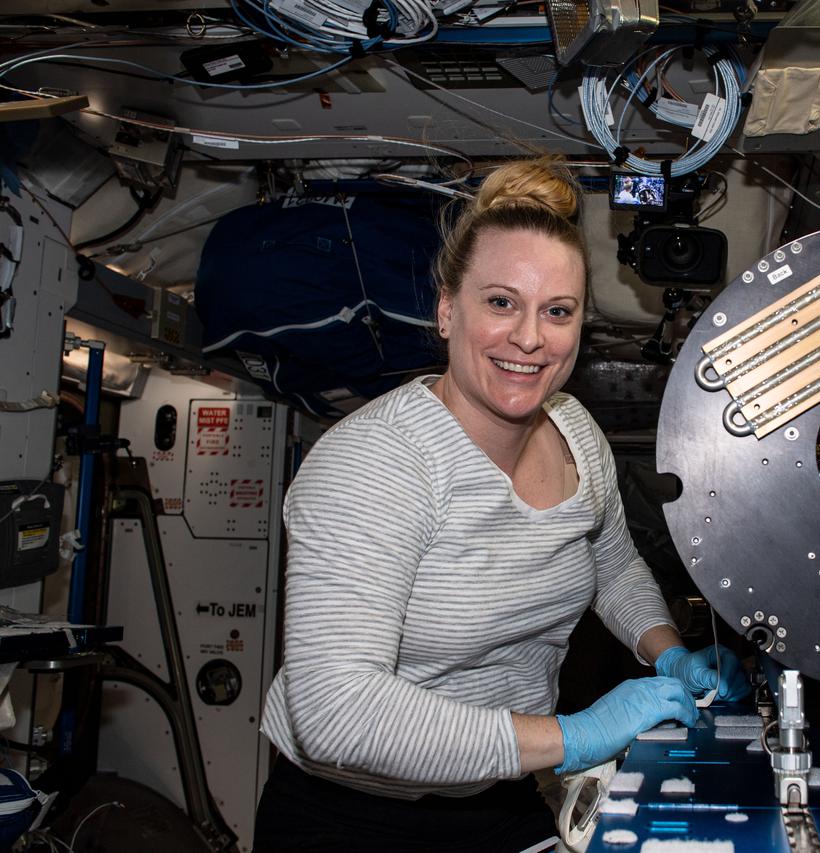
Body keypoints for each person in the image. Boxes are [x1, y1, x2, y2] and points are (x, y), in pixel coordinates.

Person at [252, 158, 750, 853]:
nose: (529, 338)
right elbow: (333, 711)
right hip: (351, 814)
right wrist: (575, 735)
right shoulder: (375, 463)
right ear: (446, 309)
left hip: (503, 792)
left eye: (557, 311)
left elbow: (612, 567)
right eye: (500, 302)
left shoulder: (575, 431)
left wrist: (668, 655)